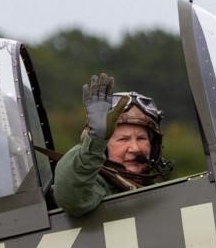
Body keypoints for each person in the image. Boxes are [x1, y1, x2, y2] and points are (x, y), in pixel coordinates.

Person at [53, 72, 173, 216]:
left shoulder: (160, 192)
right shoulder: (95, 187)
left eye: (141, 139)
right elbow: (71, 198)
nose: (135, 148)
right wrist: (95, 141)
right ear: (103, 148)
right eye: (123, 139)